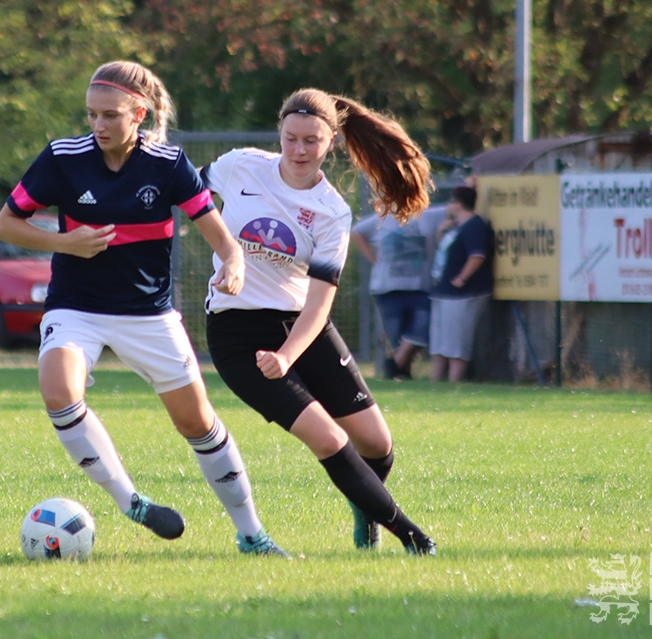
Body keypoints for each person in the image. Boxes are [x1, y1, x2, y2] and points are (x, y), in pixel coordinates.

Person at [0, 60, 287, 557]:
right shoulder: (63, 158)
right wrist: (66, 242)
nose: (98, 125)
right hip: (76, 306)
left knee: (197, 424)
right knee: (58, 391)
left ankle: (252, 533)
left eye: (110, 115)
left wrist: (234, 263)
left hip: (148, 314)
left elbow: (223, 239)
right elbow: (6, 225)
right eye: (91, 114)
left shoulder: (168, 164)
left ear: (139, 114)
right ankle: (130, 502)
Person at [199, 88, 437, 555]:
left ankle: (364, 505)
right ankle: (414, 538)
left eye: (311, 140)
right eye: (291, 138)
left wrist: (288, 355)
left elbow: (318, 304)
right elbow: (184, 191)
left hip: (300, 328)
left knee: (377, 443)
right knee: (329, 438)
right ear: (279, 133)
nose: (299, 150)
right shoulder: (240, 165)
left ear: (331, 142)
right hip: (237, 333)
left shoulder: (331, 211)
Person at [351, 203, 446, 380]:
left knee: (420, 330)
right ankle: (402, 373)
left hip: (420, 287)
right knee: (396, 336)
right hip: (387, 288)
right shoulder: (380, 220)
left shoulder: (428, 216)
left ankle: (393, 367)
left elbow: (456, 208)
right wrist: (373, 258)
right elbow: (356, 232)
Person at [428, 185, 494, 382]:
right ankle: (436, 381)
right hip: (443, 291)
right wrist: (441, 231)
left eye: (451, 201)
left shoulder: (475, 226)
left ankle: (454, 381)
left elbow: (477, 255)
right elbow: (443, 250)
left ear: (458, 203)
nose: (448, 205)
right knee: (439, 342)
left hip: (463, 293)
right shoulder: (454, 226)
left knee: (456, 341)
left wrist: (462, 278)